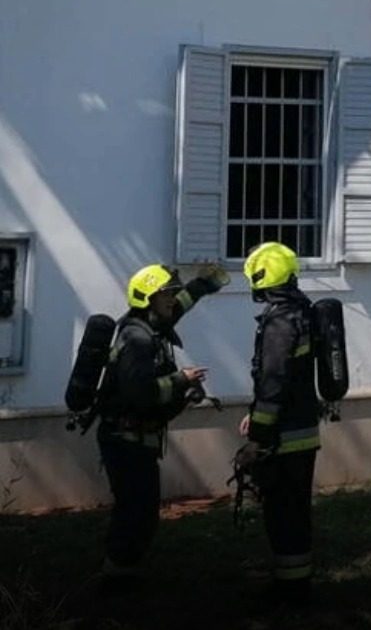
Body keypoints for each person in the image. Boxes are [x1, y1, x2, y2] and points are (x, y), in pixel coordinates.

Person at [95, 262, 229, 588]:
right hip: (126, 439)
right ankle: (117, 578)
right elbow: (140, 393)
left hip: (136, 438)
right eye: (166, 294)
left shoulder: (150, 324)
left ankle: (124, 571)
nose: (172, 299)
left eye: (172, 293)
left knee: (140, 509)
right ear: (149, 299)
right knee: (135, 510)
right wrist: (180, 380)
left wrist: (205, 284)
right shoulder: (138, 340)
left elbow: (180, 305)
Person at [237, 241, 319, 606]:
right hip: (302, 430)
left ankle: (290, 590)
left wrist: (258, 435)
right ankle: (297, 582)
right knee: (296, 509)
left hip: (283, 436)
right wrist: (254, 414)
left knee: (282, 511)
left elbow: (273, 379)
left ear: (260, 278)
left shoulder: (280, 322)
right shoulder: (303, 313)